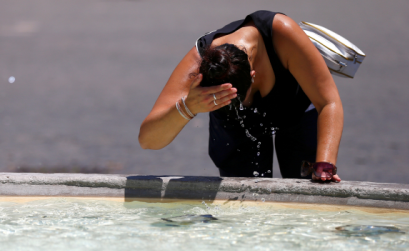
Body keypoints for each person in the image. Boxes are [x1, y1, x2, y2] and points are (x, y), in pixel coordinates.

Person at [138, 10, 342, 182]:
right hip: (235, 128)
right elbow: (148, 140)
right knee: (242, 206)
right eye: (219, 101)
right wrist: (187, 107)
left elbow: (329, 102)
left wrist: (325, 164)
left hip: (294, 110)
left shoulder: (282, 33)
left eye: (238, 101)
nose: (242, 106)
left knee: (309, 188)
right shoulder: (196, 63)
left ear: (253, 76)